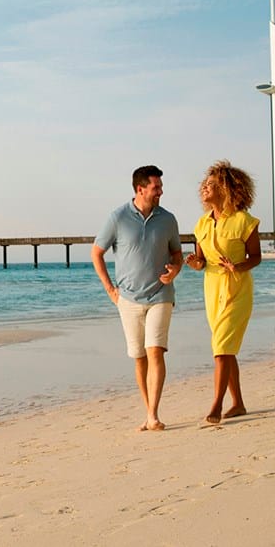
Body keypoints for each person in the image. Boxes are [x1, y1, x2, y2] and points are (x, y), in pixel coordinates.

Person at [92, 165, 183, 432]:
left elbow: (177, 254)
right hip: (128, 299)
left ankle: (153, 414)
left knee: (156, 351)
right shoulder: (117, 218)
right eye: (156, 187)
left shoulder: (168, 219)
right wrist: (111, 290)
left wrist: (175, 269)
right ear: (140, 189)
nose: (161, 192)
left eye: (160, 187)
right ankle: (148, 411)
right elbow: (97, 253)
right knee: (139, 356)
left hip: (161, 294)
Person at [184, 160, 261, 427]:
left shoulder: (244, 221)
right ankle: (238, 404)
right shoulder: (202, 224)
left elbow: (256, 257)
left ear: (226, 189)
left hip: (238, 290)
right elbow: (202, 260)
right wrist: (195, 263)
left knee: (220, 349)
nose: (205, 188)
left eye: (211, 184)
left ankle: (216, 404)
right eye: (204, 184)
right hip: (212, 290)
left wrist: (237, 265)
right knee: (226, 350)